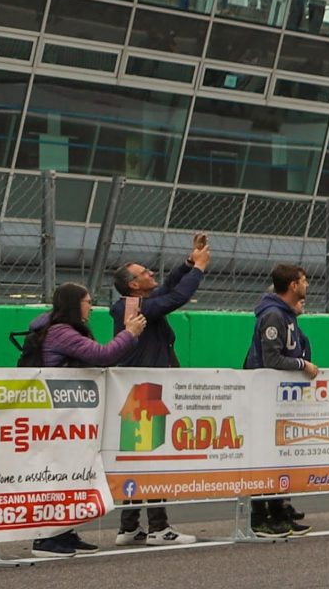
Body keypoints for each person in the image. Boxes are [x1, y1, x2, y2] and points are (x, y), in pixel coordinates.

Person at [18, 283, 146, 556]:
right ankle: (46, 538)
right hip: (56, 415)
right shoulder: (61, 332)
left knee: (70, 473)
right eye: (88, 302)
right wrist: (129, 333)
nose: (91, 307)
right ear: (74, 304)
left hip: (67, 415)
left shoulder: (60, 329)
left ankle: (64, 532)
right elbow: (102, 355)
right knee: (56, 474)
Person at [110, 234, 210, 544]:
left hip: (143, 389)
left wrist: (188, 262)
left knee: (140, 458)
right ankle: (158, 527)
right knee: (153, 458)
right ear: (133, 285)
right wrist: (199, 270)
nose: (151, 273)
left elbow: (166, 290)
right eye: (144, 273)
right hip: (144, 391)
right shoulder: (132, 306)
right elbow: (174, 298)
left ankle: (129, 526)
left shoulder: (141, 302)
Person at [244, 263, 317, 537]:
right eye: (304, 280)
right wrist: (302, 364)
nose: (307, 285)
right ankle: (258, 516)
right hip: (265, 397)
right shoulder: (273, 315)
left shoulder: (287, 315)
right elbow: (272, 358)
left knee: (279, 454)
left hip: (281, 399)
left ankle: (278, 511)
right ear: (293, 285)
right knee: (264, 455)